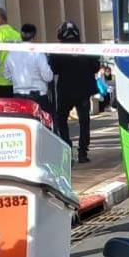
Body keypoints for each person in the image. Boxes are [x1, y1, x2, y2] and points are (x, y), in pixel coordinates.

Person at [50, 20, 100, 163]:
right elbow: (95, 67)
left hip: (65, 91)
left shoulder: (57, 51)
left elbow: (54, 69)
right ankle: (83, 153)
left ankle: (67, 149)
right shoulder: (85, 49)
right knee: (84, 121)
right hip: (83, 91)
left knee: (61, 119)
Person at [3, 23, 54, 112]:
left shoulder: (11, 54)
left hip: (18, 96)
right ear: (34, 37)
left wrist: (17, 80)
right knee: (49, 121)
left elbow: (6, 75)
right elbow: (48, 76)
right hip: (38, 96)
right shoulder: (38, 53)